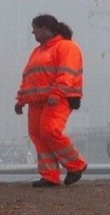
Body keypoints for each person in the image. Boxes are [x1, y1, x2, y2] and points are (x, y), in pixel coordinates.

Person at [15, 14, 87, 187]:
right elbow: (27, 77)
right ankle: (49, 175)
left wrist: (57, 94)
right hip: (37, 101)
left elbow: (66, 73)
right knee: (38, 135)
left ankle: (76, 164)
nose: (33, 32)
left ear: (45, 29)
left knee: (50, 131)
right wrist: (21, 99)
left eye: (35, 28)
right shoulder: (38, 51)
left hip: (58, 99)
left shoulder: (66, 47)